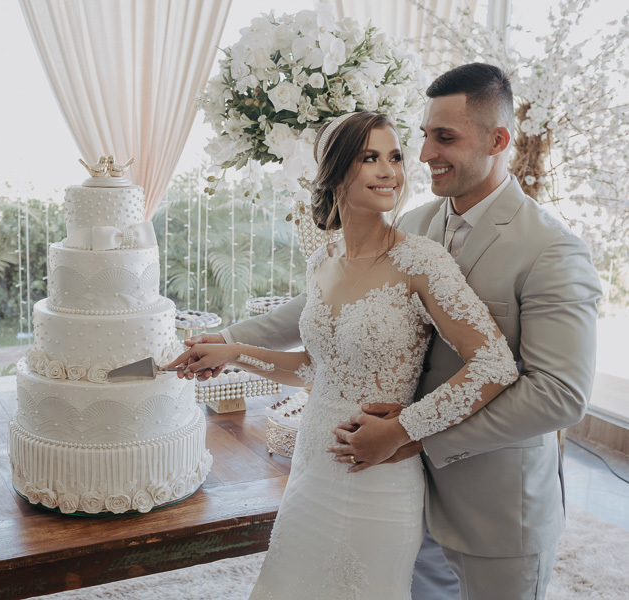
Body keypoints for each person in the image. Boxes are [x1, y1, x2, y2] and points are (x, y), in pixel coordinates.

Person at [182, 64, 602, 599]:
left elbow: (560, 395)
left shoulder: (552, 249)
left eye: (443, 138)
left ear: (498, 140)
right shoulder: (415, 223)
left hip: (491, 508)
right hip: (386, 478)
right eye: (423, 136)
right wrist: (228, 344)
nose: (423, 155)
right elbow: (326, 310)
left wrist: (412, 434)